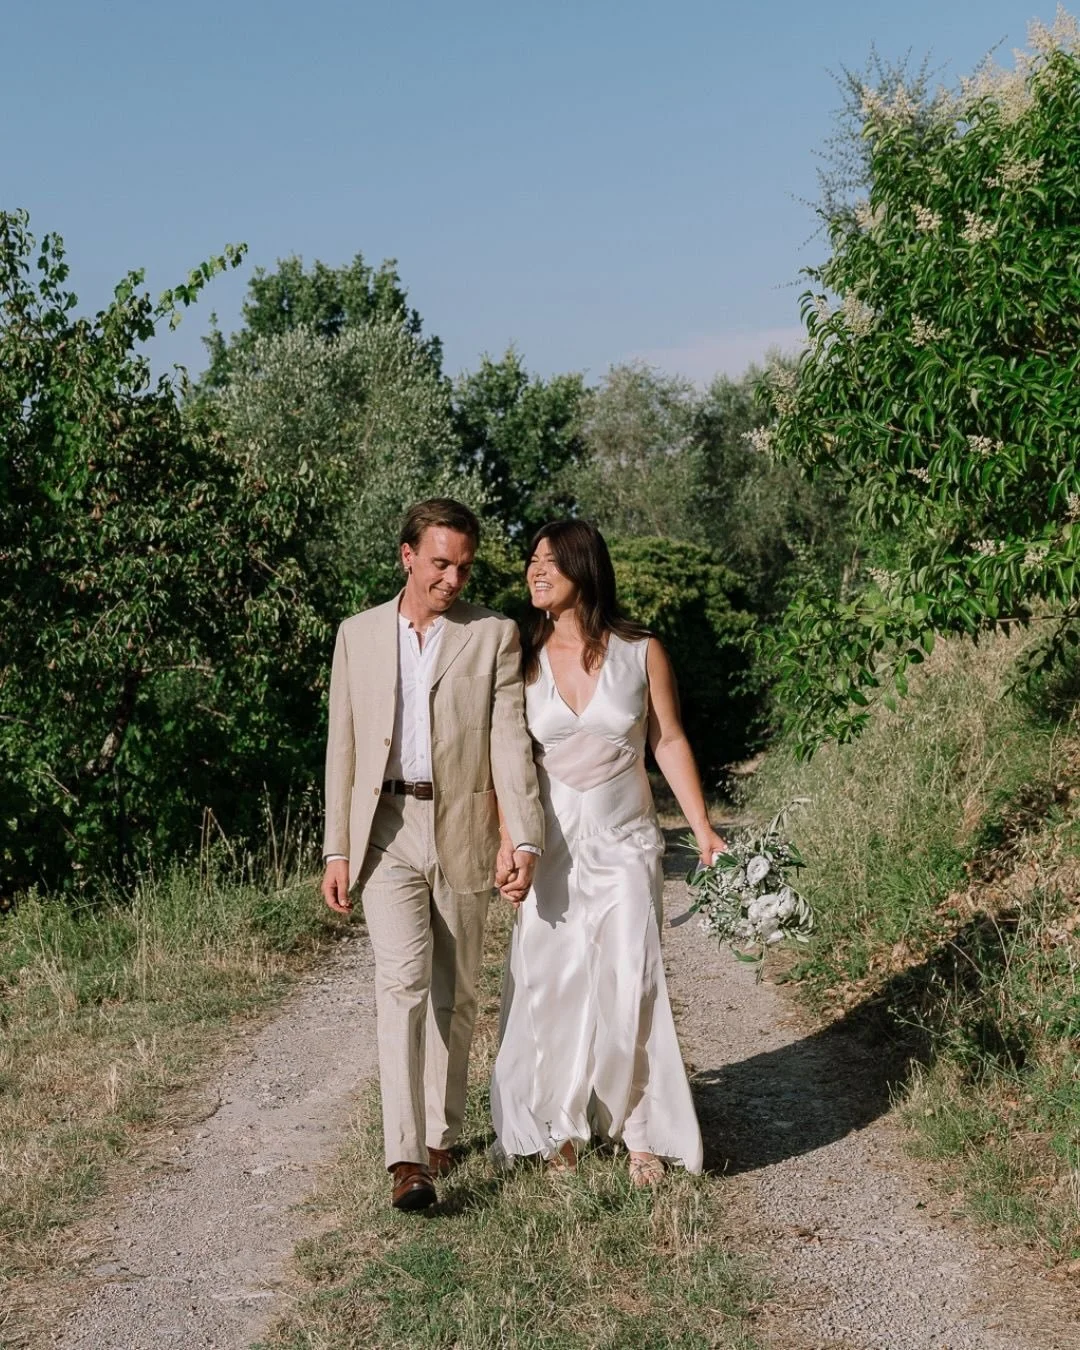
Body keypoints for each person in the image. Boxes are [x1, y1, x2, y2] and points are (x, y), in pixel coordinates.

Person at [321, 499, 543, 1212]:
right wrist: (336, 849)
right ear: (408, 555)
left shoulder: (494, 635)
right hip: (384, 827)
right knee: (403, 982)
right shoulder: (356, 635)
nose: (453, 578)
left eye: (464, 566)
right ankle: (407, 1159)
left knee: (457, 993)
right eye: (441, 563)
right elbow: (342, 748)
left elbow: (509, 740)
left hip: (464, 823)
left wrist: (524, 833)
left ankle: (446, 1129)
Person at [490, 520, 726, 1186]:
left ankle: (642, 1133)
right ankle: (561, 1126)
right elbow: (504, 763)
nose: (536, 572)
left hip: (626, 842)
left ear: (583, 569)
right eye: (531, 561)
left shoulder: (641, 650)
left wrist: (702, 828)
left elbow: (668, 741)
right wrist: (509, 841)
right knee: (553, 981)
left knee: (632, 980)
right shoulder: (520, 658)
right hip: (552, 846)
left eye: (550, 562)